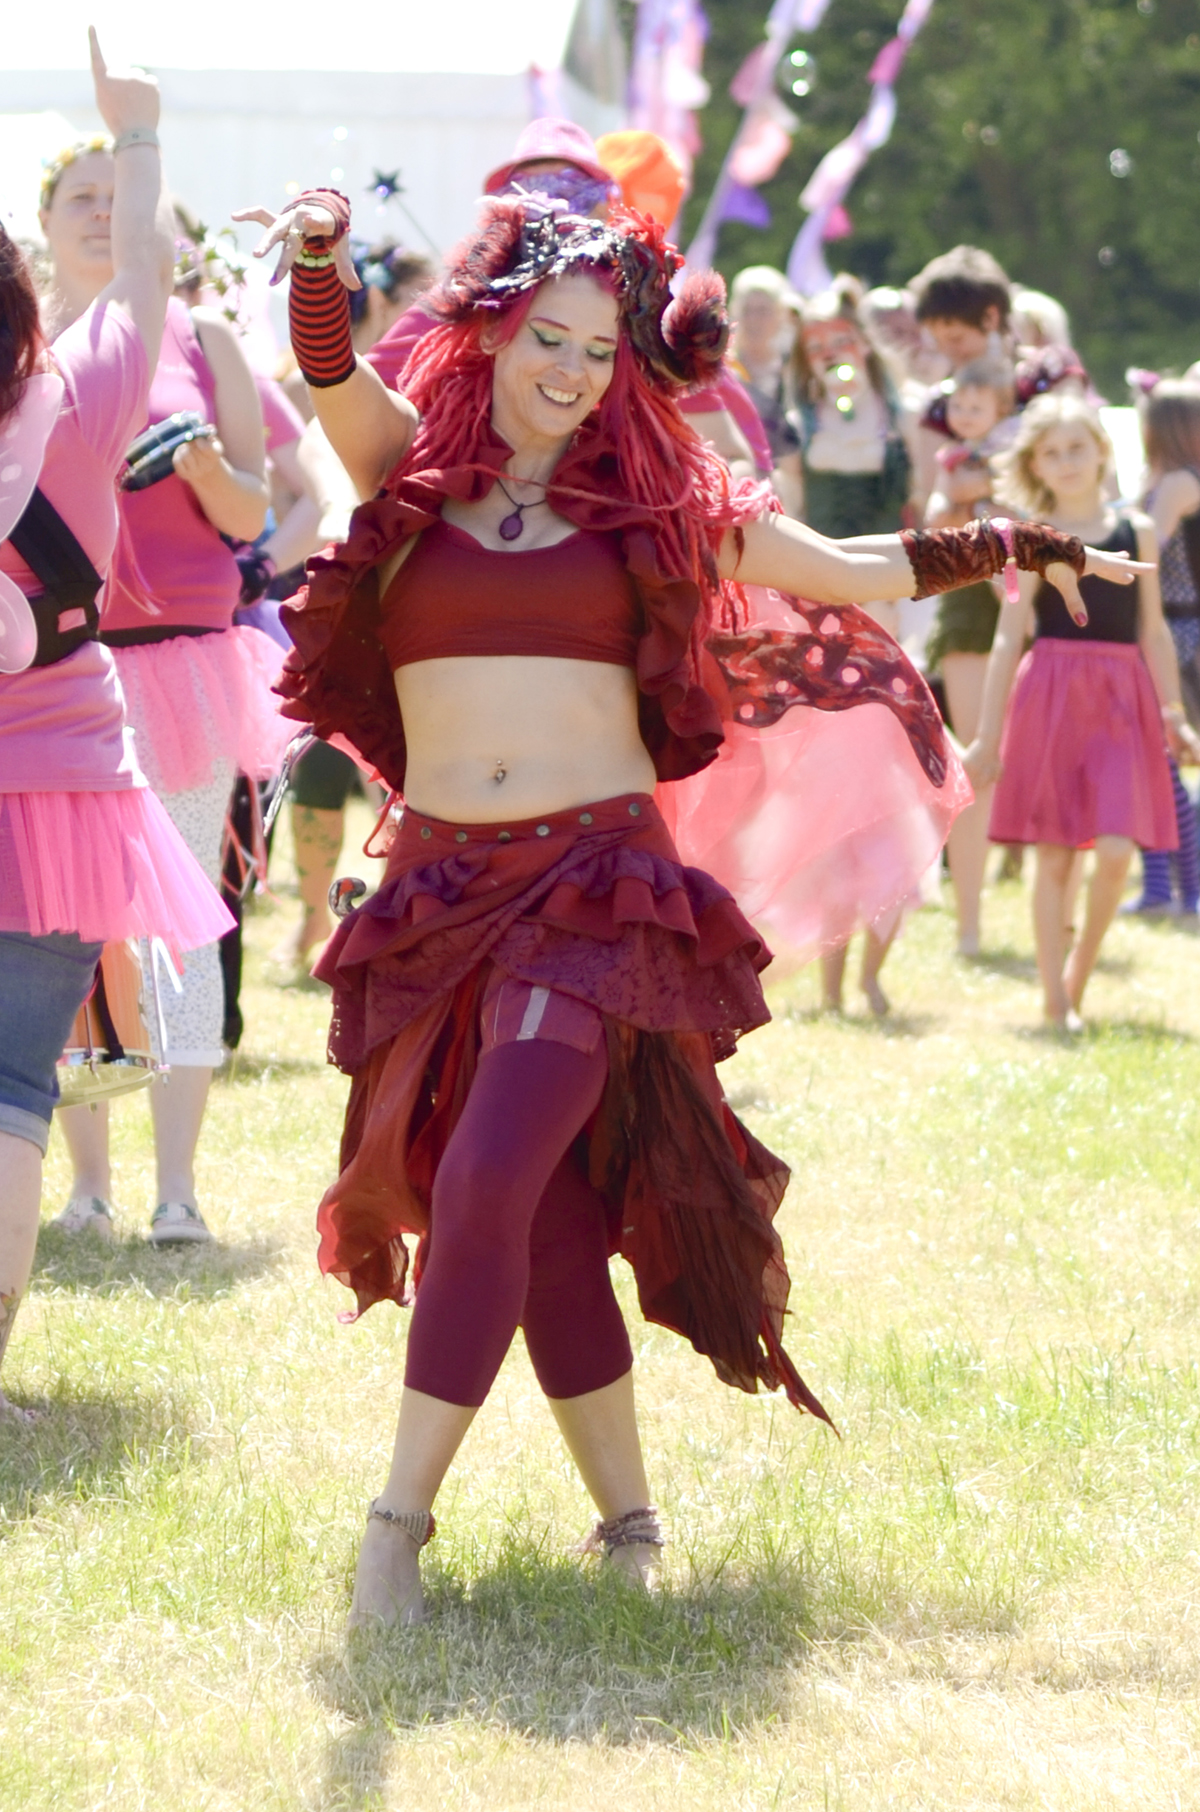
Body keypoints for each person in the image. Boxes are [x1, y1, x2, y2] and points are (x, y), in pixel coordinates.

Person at [236, 182, 1134, 1627]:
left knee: (485, 1182)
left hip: (594, 891)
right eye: (549, 338)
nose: (571, 372)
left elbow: (845, 573)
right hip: (441, 887)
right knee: (537, 1229)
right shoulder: (408, 482)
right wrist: (325, 258)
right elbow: (328, 370)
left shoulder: (656, 510)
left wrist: (1017, 546)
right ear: (490, 328)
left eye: (600, 350)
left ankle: (392, 1527)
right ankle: (632, 1521)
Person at [0, 33, 232, 1419]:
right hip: (69, 794)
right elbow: (148, 272)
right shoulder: (83, 395)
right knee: (16, 1090)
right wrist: (138, 132)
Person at [38, 147, 285, 1244]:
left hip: (187, 665)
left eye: (117, 196)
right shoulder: (26, 342)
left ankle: (174, 1189)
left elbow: (252, 513)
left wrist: (192, 467)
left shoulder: (207, 342)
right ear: (43, 221)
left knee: (183, 927)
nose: (100, 215)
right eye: (77, 199)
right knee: (67, 929)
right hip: (54, 672)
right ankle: (85, 1186)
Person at [964, 396, 1182, 1028]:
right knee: (1055, 853)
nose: (1066, 461)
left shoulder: (1135, 529)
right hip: (1050, 695)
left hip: (1121, 699)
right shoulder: (1031, 536)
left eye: (1076, 448)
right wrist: (985, 738)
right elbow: (1009, 637)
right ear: (1035, 462)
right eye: (1051, 452)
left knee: (1115, 850)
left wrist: (1173, 711)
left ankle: (1076, 977)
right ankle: (1055, 1002)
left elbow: (1156, 632)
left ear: (1102, 452)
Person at [284, 240, 435, 971]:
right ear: (377, 301)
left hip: (428, 605)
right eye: (411, 298)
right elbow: (318, 439)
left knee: (412, 780)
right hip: (348, 592)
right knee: (318, 768)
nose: (425, 312)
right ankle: (315, 910)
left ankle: (383, 917)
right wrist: (346, 516)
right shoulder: (373, 370)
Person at [789, 277, 914, 1013]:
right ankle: (834, 978)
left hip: (895, 617)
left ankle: (870, 970)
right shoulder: (802, 425)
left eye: (841, 338)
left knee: (891, 796)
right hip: (826, 628)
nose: (833, 354)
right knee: (837, 800)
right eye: (819, 345)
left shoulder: (901, 417)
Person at [924, 356, 1019, 954]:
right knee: (976, 771)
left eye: (977, 405)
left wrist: (986, 490)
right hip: (968, 618)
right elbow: (934, 519)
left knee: (1015, 766)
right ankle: (969, 922)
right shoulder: (950, 465)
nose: (964, 416)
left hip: (1022, 617)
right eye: (958, 404)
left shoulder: (1014, 459)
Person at [1127, 381, 1200, 916]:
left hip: (1179, 634)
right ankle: (1166, 886)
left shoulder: (1179, 481)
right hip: (1171, 630)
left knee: (1160, 759)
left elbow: (1143, 539)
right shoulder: (1169, 478)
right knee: (1156, 761)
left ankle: (1178, 888)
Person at [727, 265, 802, 511]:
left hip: (787, 483)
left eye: (763, 311)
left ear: (779, 315)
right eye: (746, 311)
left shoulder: (792, 369)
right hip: (738, 482)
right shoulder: (724, 370)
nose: (753, 320)